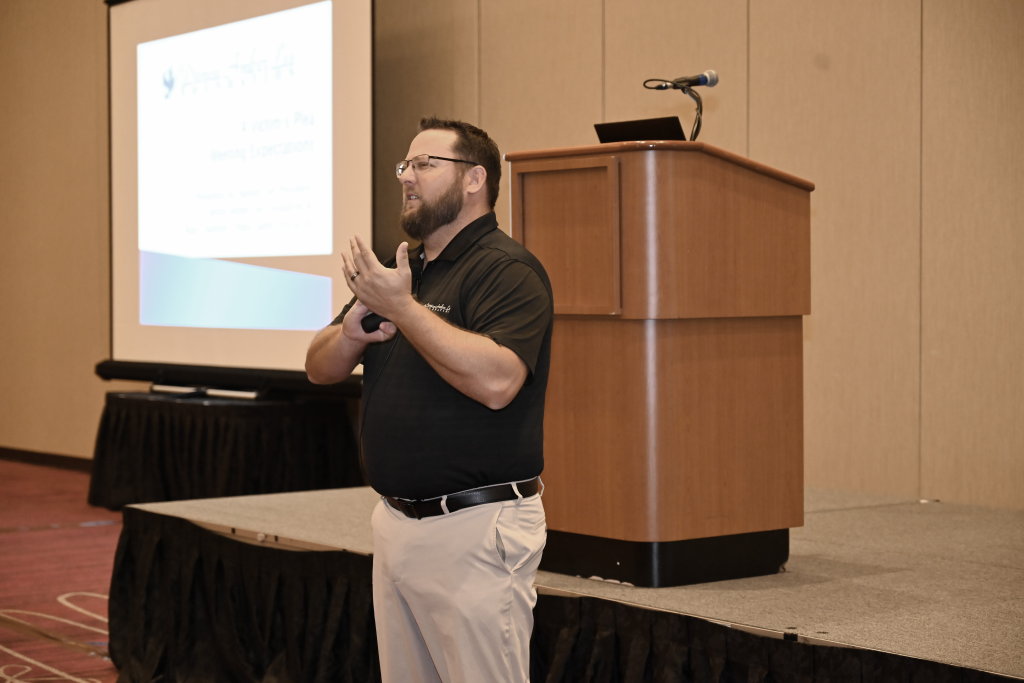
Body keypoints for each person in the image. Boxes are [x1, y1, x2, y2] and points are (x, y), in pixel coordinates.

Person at [305, 117, 554, 682]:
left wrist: (403, 310)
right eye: (405, 165)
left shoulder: (507, 270)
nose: (406, 177)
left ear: (474, 179)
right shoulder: (404, 270)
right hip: (396, 523)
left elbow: (498, 383)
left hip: (475, 528)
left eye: (425, 164)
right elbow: (318, 368)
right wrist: (350, 335)